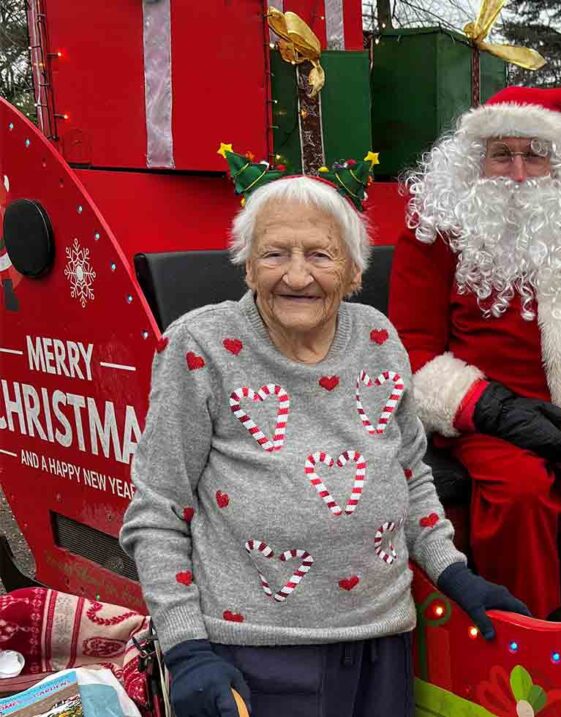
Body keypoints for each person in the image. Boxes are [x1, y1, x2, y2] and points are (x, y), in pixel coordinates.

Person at [120, 176, 528, 717]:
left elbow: (410, 474)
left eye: (319, 254)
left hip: (381, 641)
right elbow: (158, 510)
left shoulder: (378, 338)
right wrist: (187, 649)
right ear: (246, 265)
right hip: (258, 653)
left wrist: (453, 570)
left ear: (353, 270)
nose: (296, 275)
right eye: (274, 253)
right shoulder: (200, 347)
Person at [390, 86, 561, 620]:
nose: (515, 173)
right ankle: (527, 651)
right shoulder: (434, 232)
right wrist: (491, 409)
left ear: (557, 164)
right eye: (501, 154)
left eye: (533, 155)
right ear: (475, 160)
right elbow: (409, 352)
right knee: (520, 497)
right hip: (486, 421)